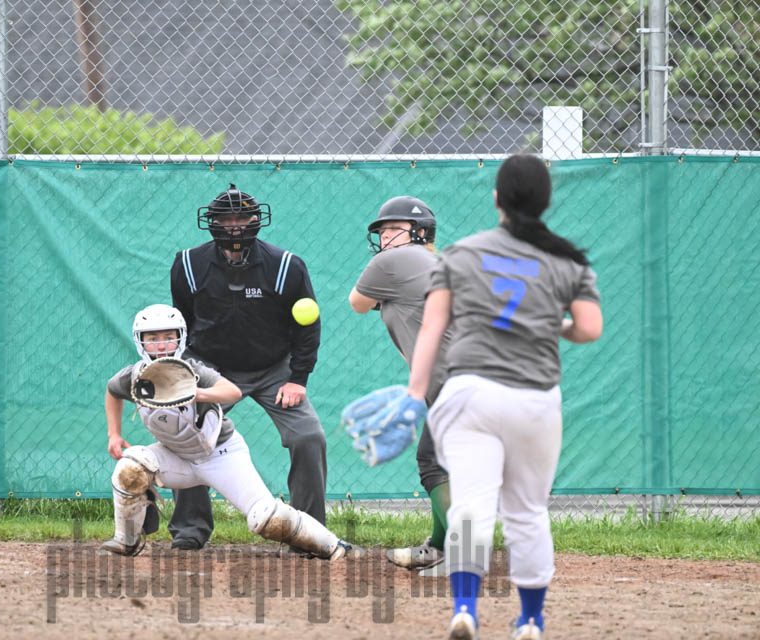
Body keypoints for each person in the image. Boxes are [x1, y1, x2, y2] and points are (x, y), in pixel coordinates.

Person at [401, 155, 603, 640]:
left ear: (497, 199)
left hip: (469, 393)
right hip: (534, 398)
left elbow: (432, 327)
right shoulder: (569, 260)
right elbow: (589, 328)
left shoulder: (461, 253)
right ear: (547, 201)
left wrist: (413, 393)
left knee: (471, 507)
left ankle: (465, 609)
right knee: (528, 512)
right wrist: (552, 325)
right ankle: (530, 619)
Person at [100, 303, 357, 560]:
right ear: (140, 342)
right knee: (130, 468)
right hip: (177, 458)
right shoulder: (135, 376)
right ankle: (127, 540)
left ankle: (334, 546)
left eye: (169, 337)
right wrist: (114, 434)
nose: (162, 345)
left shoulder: (193, 370)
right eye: (152, 339)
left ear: (180, 338)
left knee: (266, 518)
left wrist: (197, 393)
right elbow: (113, 392)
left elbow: (232, 391)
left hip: (221, 454)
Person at [167, 184, 327, 552]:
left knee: (308, 437)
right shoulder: (188, 265)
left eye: (242, 218)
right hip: (211, 367)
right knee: (187, 433)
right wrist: (190, 371)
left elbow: (307, 326)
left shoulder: (285, 266)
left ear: (257, 221)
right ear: (212, 223)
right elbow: (183, 325)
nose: (235, 226)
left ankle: (309, 532)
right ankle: (190, 528)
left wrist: (298, 379)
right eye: (227, 219)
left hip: (274, 369)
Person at [347, 195, 451, 571]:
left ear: (420, 232)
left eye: (394, 228)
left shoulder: (390, 262)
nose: (386, 236)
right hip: (477, 377)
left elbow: (357, 302)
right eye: (382, 230)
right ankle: (438, 547)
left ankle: (464, 551)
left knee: (435, 462)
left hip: (457, 382)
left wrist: (383, 297)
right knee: (443, 462)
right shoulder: (438, 263)